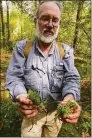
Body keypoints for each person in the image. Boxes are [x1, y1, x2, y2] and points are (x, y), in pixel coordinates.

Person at [6, 1, 81, 137]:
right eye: (45, 18)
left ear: (59, 24)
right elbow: (14, 77)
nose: (50, 24)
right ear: (36, 21)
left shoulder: (66, 51)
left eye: (55, 20)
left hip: (56, 113)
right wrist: (21, 96)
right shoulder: (22, 48)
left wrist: (70, 98)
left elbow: (71, 78)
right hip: (32, 114)